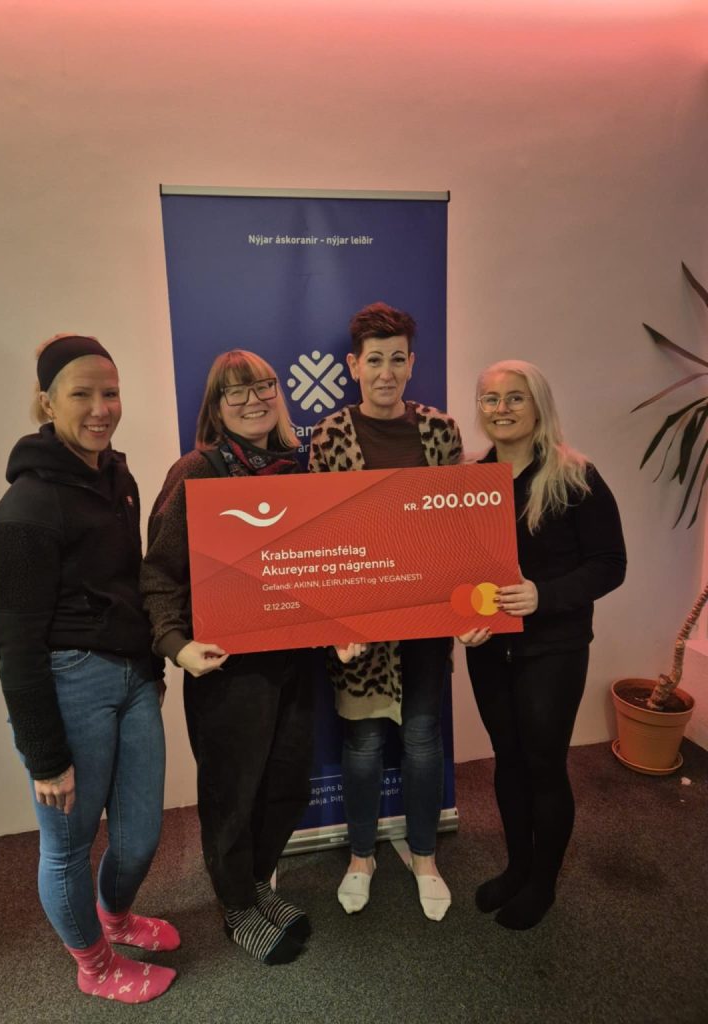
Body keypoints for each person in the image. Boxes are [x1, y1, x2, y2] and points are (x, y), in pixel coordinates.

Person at [0, 335, 178, 1005]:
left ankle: (116, 918)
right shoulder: (26, 509)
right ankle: (94, 965)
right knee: (68, 848)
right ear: (47, 402)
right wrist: (44, 756)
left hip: (133, 679)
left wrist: (151, 667)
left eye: (111, 393)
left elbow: (129, 585)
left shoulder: (117, 479)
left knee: (139, 835)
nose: (101, 408)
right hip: (71, 685)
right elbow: (14, 645)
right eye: (82, 395)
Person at [140, 350, 314, 965]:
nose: (252, 400)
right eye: (234, 392)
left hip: (296, 660)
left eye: (262, 387)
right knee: (232, 794)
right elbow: (158, 572)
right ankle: (236, 906)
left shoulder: (299, 470)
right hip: (228, 667)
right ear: (216, 406)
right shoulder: (197, 471)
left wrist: (345, 624)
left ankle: (258, 883)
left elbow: (321, 566)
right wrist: (175, 644)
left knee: (287, 785)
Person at [308, 302, 463, 921]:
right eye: (375, 360)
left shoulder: (441, 431)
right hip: (360, 625)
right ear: (354, 365)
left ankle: (424, 855)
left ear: (412, 364)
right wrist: (335, 622)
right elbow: (319, 536)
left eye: (397, 359)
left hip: (425, 615)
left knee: (422, 737)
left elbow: (460, 525)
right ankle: (361, 856)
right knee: (364, 740)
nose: (386, 372)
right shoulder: (329, 436)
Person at [459, 359, 626, 930]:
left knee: (544, 763)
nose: (500, 409)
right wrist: (459, 618)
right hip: (489, 648)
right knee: (507, 760)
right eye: (490, 399)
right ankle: (517, 867)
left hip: (553, 648)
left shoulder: (576, 477)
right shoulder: (469, 481)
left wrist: (544, 595)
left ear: (538, 406)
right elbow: (456, 568)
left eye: (515, 397)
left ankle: (542, 884)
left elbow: (610, 564)